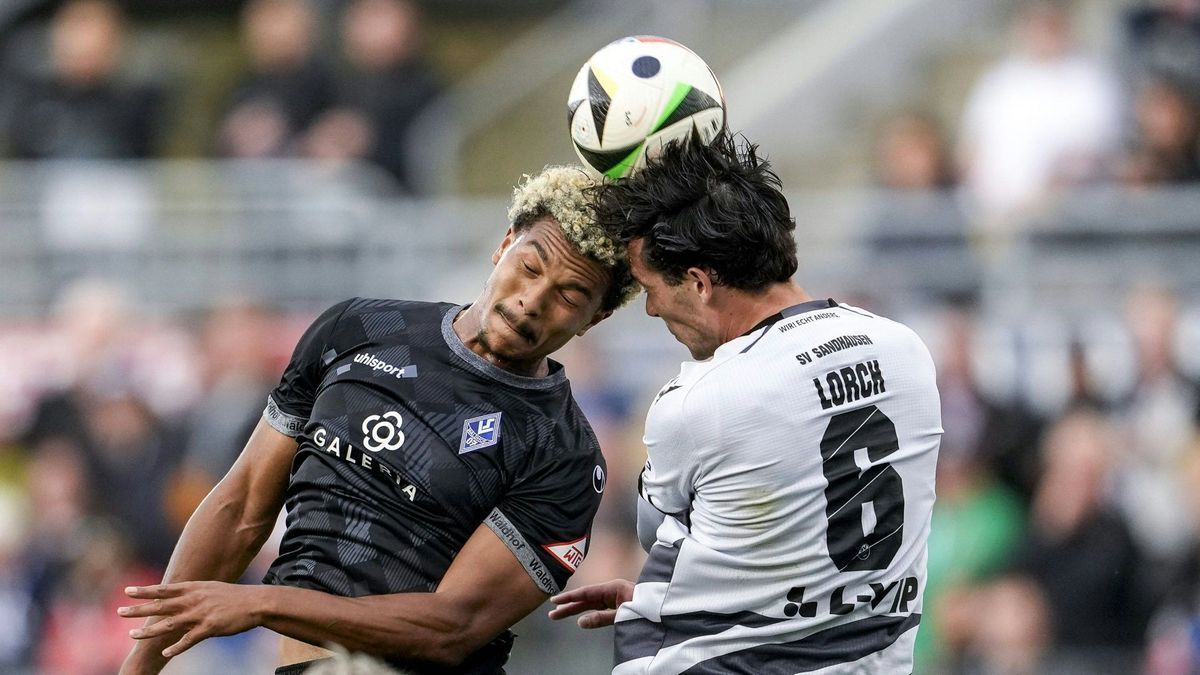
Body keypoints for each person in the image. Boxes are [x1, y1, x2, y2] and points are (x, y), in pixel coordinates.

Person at [116, 165, 638, 675]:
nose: (531, 302)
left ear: (596, 317)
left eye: (568, 297)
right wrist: (141, 664)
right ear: (504, 245)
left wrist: (264, 604)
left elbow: (450, 629)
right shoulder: (358, 327)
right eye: (530, 267)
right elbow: (244, 503)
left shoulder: (564, 453)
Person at [549, 132, 942, 674]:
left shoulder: (699, 401)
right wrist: (700, 590)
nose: (651, 310)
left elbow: (652, 531)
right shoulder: (908, 353)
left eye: (648, 287)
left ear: (699, 282)